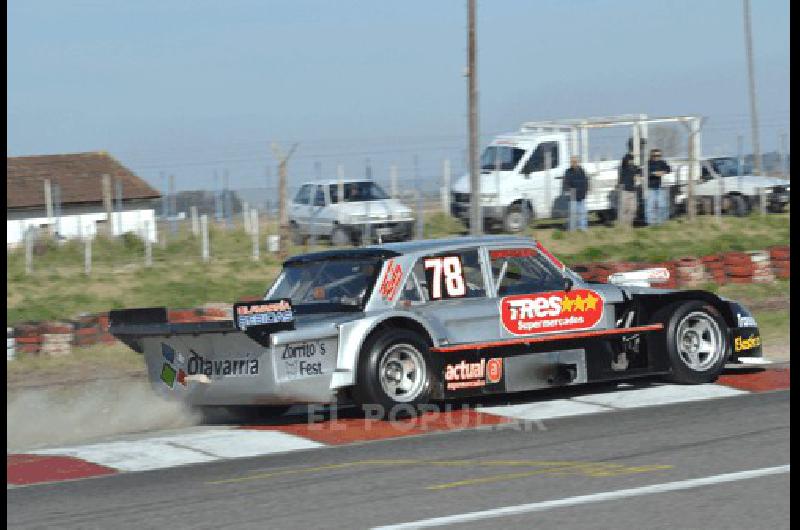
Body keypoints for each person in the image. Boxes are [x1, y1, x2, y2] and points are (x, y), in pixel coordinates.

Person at [646, 149, 671, 225]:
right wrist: (654, 174)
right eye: (655, 155)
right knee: (650, 206)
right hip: (650, 187)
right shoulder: (648, 163)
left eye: (659, 155)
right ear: (651, 156)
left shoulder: (662, 163)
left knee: (662, 205)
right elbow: (645, 172)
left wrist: (663, 172)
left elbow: (668, 169)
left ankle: (661, 222)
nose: (657, 157)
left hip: (659, 187)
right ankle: (650, 223)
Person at [563, 155, 589, 231]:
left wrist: (585, 191)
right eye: (572, 162)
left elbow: (586, 182)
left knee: (583, 214)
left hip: (582, 196)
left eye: (575, 162)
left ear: (578, 162)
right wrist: (569, 190)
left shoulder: (582, 171)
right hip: (573, 197)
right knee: (572, 214)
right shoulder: (568, 171)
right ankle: (572, 229)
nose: (574, 163)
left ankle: (583, 229)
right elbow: (566, 183)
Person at [617, 151, 640, 228]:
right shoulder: (624, 167)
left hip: (633, 190)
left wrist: (638, 176)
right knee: (624, 209)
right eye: (630, 159)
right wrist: (630, 154)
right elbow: (624, 160)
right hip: (624, 190)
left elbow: (640, 172)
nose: (631, 161)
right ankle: (622, 226)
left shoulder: (635, 167)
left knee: (633, 209)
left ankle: (629, 224)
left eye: (632, 159)